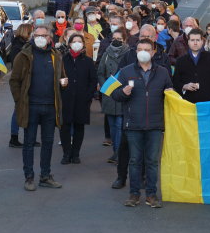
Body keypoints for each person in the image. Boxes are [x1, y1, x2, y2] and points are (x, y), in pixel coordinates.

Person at [112, 39, 174, 208]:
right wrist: (123, 93)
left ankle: (151, 195)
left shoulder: (162, 72)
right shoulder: (125, 72)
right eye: (140, 49)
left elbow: (170, 92)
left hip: (155, 124)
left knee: (153, 161)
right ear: (136, 52)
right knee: (134, 161)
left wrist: (170, 92)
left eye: (147, 49)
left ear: (153, 52)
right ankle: (134, 194)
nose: (143, 52)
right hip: (133, 124)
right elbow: (114, 94)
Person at [10, 25, 66, 191]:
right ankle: (29, 177)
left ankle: (45, 176)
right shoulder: (24, 55)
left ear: (50, 38)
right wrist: (20, 101)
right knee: (28, 142)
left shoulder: (56, 56)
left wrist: (64, 83)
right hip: (31, 107)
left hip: (50, 107)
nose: (39, 38)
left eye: (43, 35)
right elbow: (14, 81)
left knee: (48, 142)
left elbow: (62, 77)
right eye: (36, 35)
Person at [59, 34, 97, 164]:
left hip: (82, 100)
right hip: (65, 99)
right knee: (65, 127)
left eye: (79, 41)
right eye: (74, 41)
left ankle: (76, 154)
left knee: (79, 127)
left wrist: (88, 95)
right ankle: (66, 153)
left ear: (83, 44)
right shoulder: (62, 60)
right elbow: (57, 78)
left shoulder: (88, 61)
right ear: (69, 44)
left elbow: (93, 80)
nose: (76, 44)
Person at [98, 29, 130, 164]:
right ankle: (115, 152)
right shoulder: (106, 54)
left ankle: (119, 154)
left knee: (120, 127)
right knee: (112, 126)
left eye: (120, 39)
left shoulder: (129, 54)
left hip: (123, 95)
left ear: (125, 40)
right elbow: (100, 72)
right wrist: (105, 86)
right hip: (109, 96)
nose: (116, 41)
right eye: (114, 38)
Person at [173, 28, 210, 103]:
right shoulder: (180, 61)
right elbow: (175, 82)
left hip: (209, 103)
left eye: (197, 40)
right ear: (188, 42)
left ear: (202, 42)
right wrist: (184, 86)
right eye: (192, 40)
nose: (195, 43)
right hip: (188, 104)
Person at [8, 22, 34, 148]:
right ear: (26, 33)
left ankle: (28, 137)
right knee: (18, 110)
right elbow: (16, 65)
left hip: (26, 82)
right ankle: (14, 137)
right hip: (22, 83)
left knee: (27, 110)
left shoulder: (22, 44)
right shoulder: (19, 46)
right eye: (31, 32)